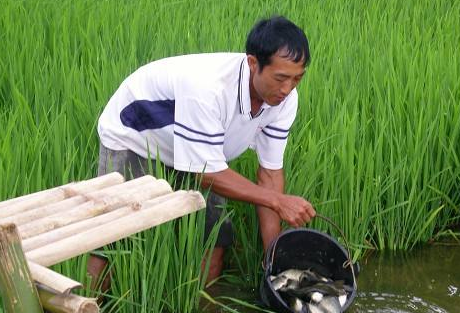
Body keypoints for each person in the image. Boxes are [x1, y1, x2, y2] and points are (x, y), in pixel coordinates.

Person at [88, 16, 316, 289]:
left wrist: (274, 257)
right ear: (253, 63)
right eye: (280, 78)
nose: (288, 89)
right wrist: (278, 202)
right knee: (117, 233)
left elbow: (269, 174)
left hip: (199, 149)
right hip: (136, 136)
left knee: (215, 231)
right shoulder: (208, 88)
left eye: (297, 79)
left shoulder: (284, 99)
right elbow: (204, 173)